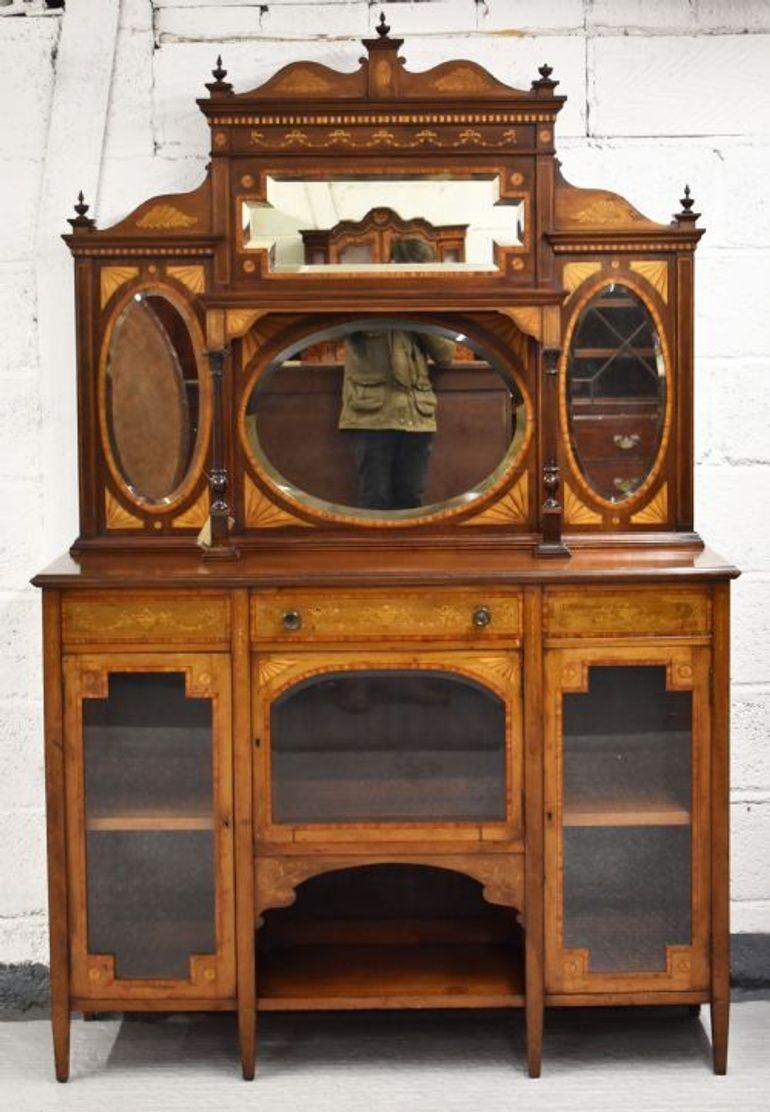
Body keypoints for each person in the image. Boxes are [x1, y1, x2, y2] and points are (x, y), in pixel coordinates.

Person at [339, 238, 456, 510]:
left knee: (411, 498)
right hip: (372, 418)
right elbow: (336, 332)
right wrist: (380, 298)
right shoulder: (363, 296)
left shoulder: (428, 303)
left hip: (417, 417)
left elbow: (445, 355)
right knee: (374, 499)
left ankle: (406, 553)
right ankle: (374, 554)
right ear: (392, 266)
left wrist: (419, 308)